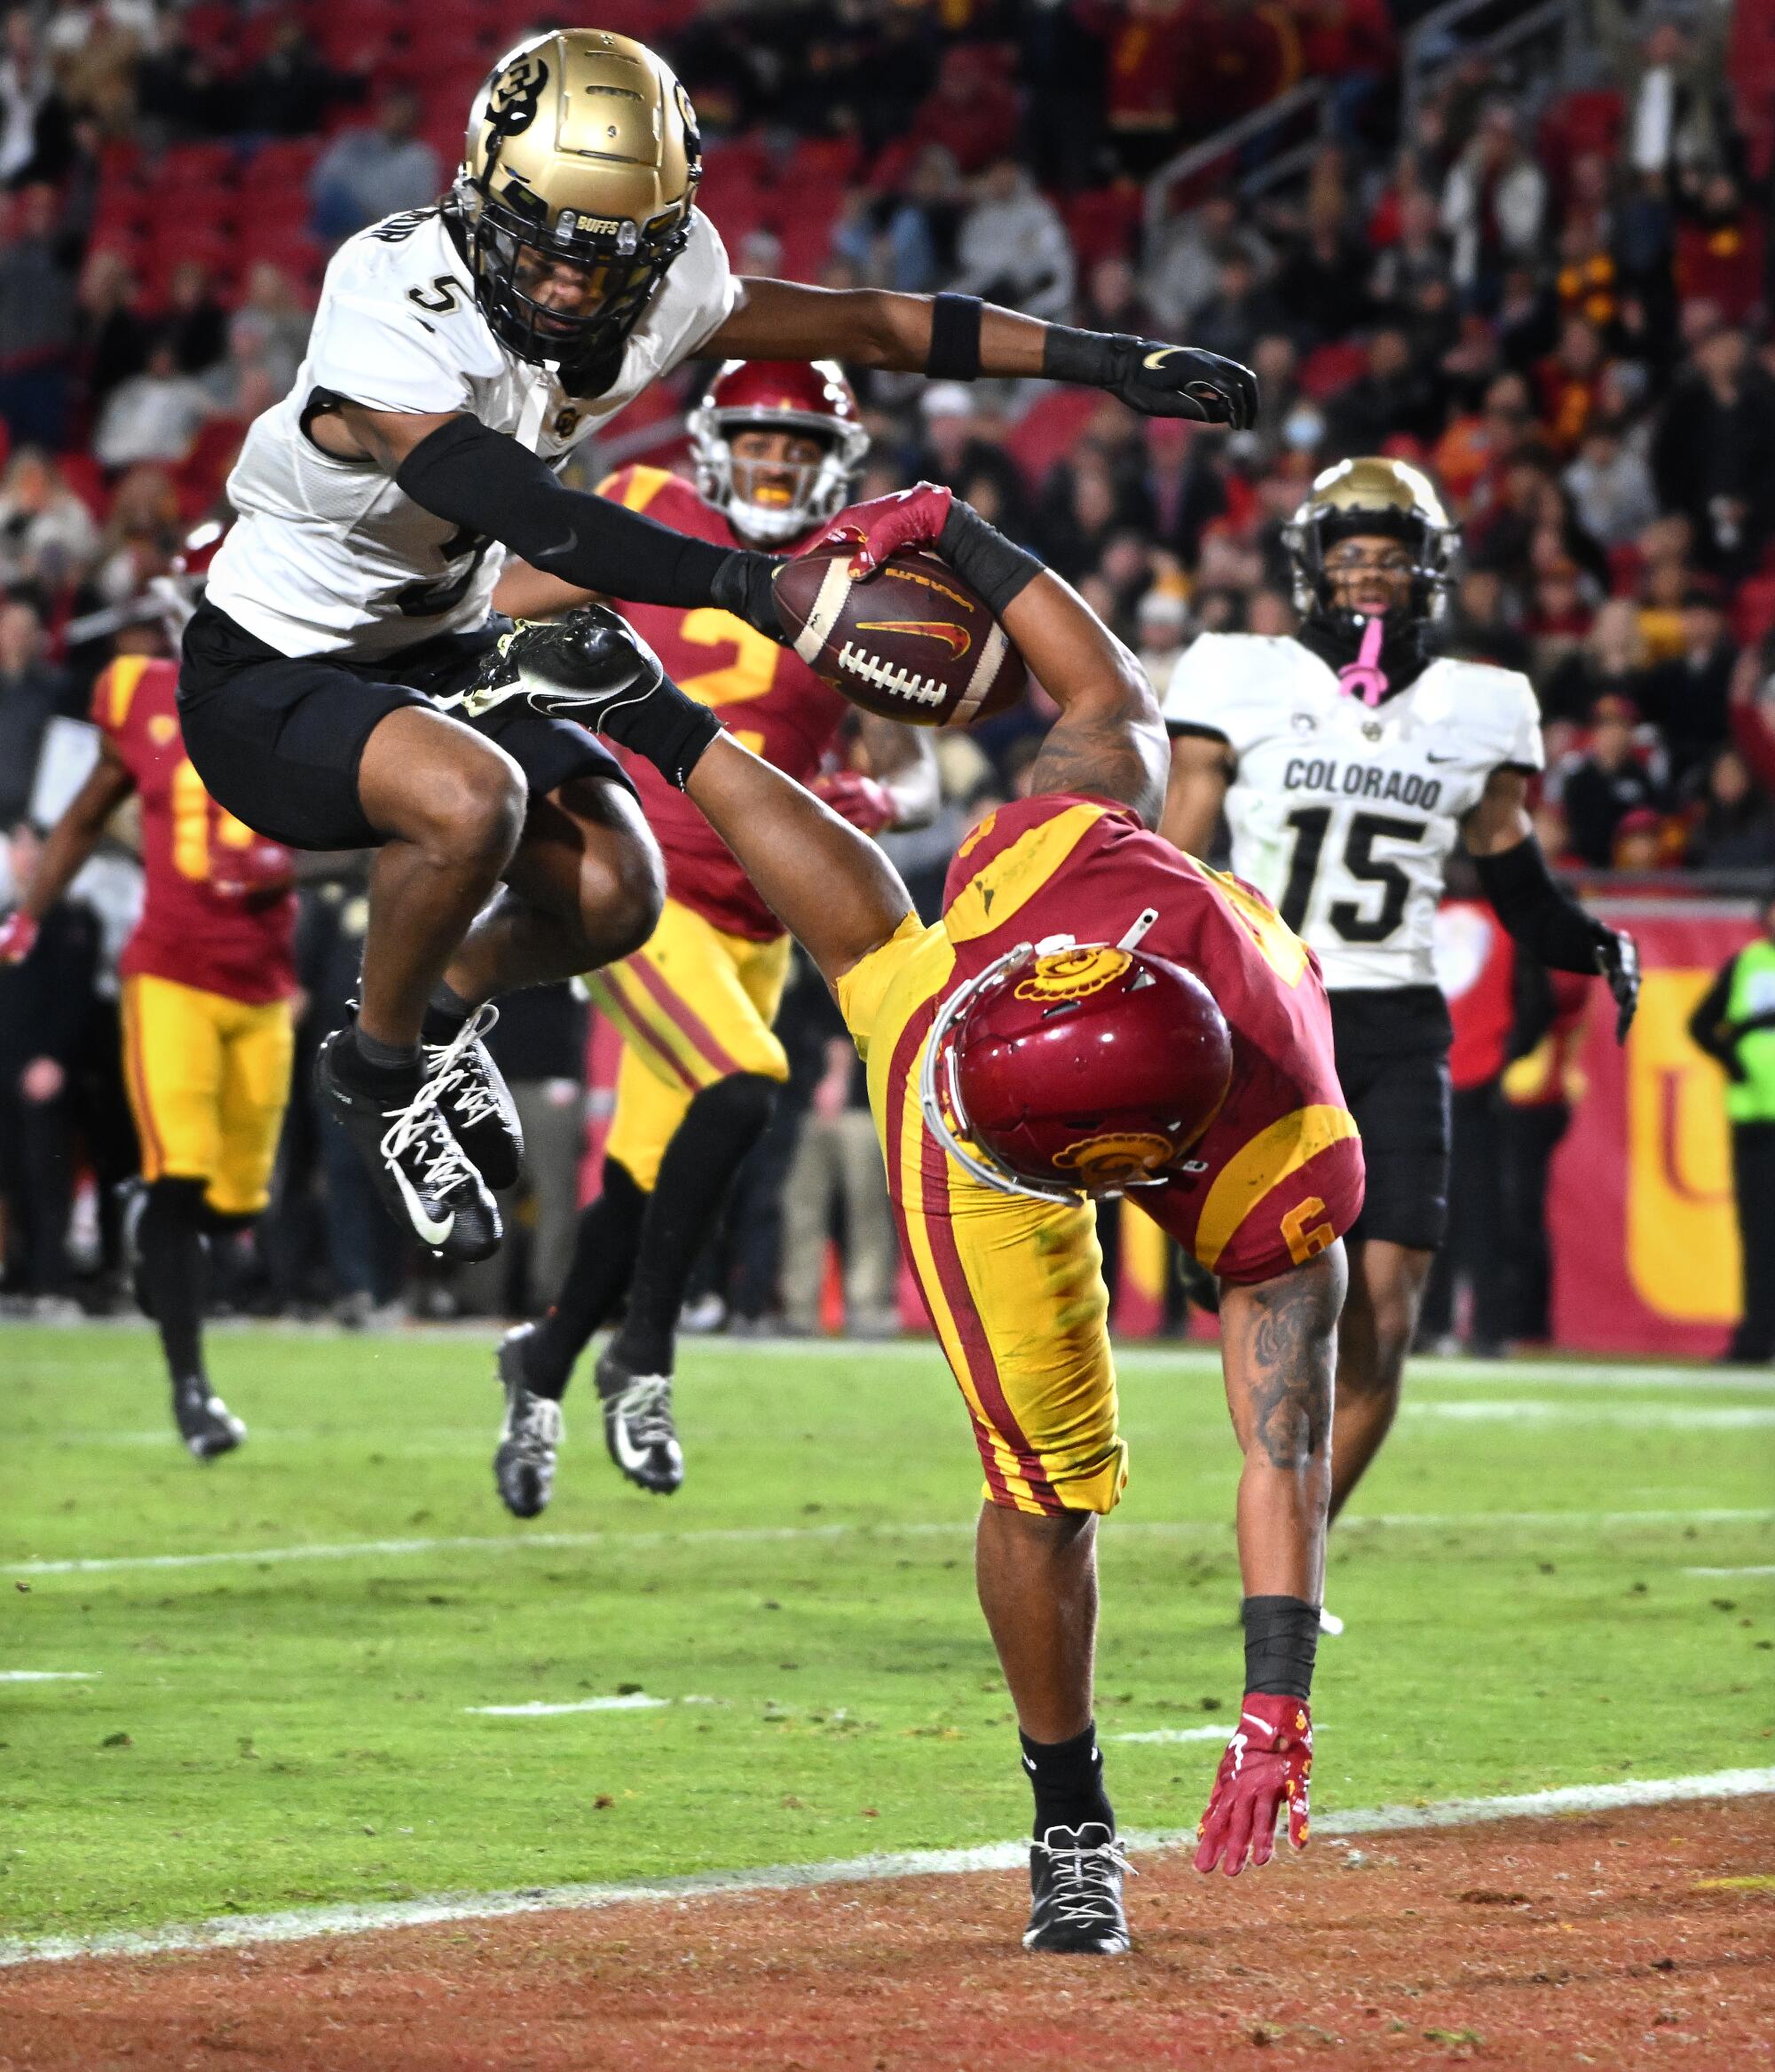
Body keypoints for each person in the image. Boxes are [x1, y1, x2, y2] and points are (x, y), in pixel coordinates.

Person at [173, 28, 1259, 1279]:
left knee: (615, 897)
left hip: (440, 641)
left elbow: (865, 321)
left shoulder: (673, 272)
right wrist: (753, 585)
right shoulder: (391, 297)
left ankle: (449, 1006)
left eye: (613, 256)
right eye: (548, 249)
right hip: (273, 664)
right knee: (477, 800)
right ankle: (378, 1067)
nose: (577, 288)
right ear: (478, 202)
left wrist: (1100, 359)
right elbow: (535, 515)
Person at [470, 488, 1361, 1954]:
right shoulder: (1045, 863)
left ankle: (656, 709)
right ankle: (1068, 1812)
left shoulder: (1281, 1162)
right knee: (1047, 1480)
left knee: (888, 967)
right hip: (978, 1079)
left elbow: (1288, 1439)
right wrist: (960, 527)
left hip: (1131, 1062)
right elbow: (1099, 688)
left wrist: (1280, 1697)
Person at [484, 360, 936, 1512]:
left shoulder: (851, 571)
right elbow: (498, 602)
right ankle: (646, 1355)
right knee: (743, 1083)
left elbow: (913, 758)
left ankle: (540, 1363)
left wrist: (873, 802)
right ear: (712, 443)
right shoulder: (641, 505)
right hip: (633, 882)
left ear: (830, 461)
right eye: (758, 442)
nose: (775, 465)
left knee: (642, 1178)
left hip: (759, 913)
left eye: (796, 449)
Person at [1162, 457, 1639, 1534]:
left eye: (1389, 558)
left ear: (1428, 570)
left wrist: (1585, 939)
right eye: (1350, 557)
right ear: (1312, 570)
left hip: (1396, 1020)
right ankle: (1210, 1259)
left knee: (1385, 1311)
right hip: (1268, 1012)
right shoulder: (1240, 674)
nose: (1368, 578)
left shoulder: (1483, 704)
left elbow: (1509, 871)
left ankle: (1302, 1539)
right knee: (1280, 1282)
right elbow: (1173, 847)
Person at [0, 653, 297, 1457]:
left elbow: (373, 829)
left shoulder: (316, 684)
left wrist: (292, 858)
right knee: (182, 1174)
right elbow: (90, 808)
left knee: (238, 1205)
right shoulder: (140, 691)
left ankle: (146, 1224)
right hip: (170, 973)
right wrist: (30, 914)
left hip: (266, 987)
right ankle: (191, 1392)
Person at [1688, 888, 1775, 1365]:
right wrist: (1735, 1064)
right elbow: (1700, 1024)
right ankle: (1755, 1339)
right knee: (1760, 1238)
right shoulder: (1746, 965)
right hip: (1757, 1121)